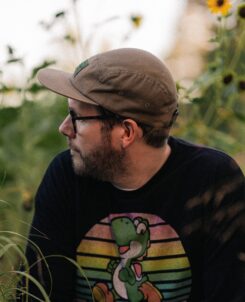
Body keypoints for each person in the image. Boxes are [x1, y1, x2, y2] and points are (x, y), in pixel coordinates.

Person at [20, 48, 244, 302]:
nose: (64, 128)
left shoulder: (213, 180)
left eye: (76, 117)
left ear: (126, 132)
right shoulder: (65, 175)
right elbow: (38, 293)